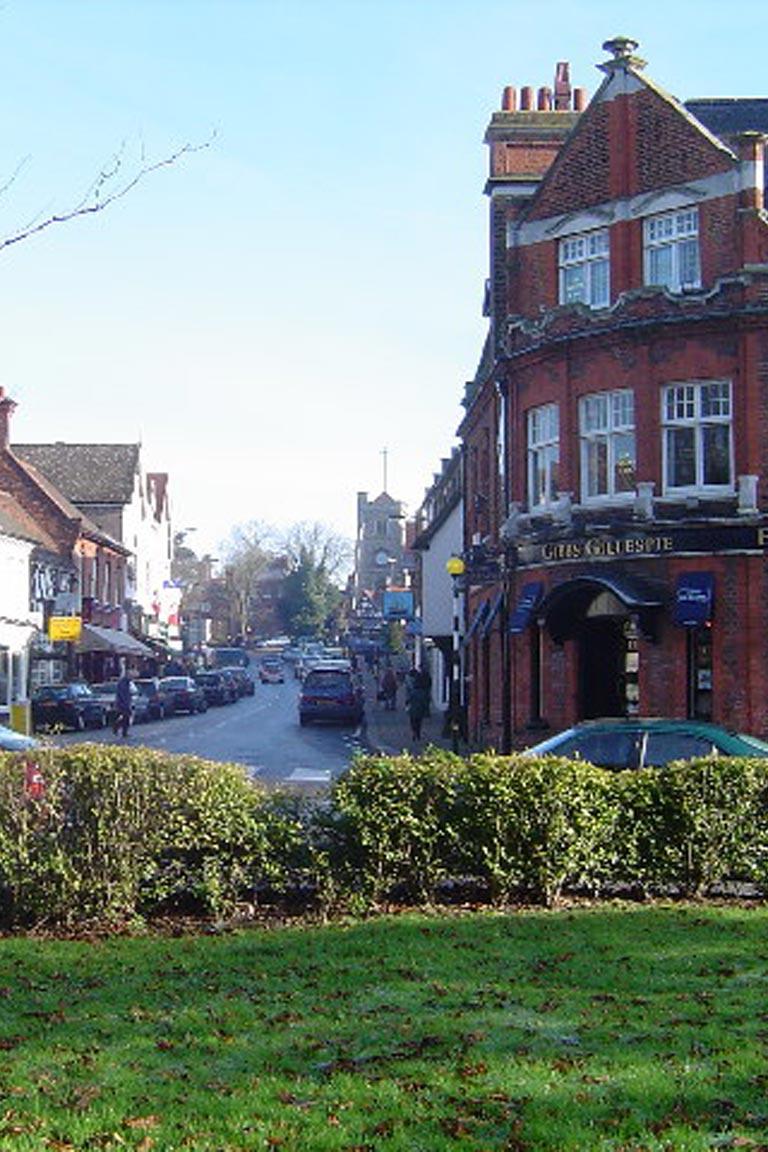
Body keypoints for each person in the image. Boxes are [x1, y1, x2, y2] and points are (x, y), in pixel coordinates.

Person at [405, 665, 430, 742]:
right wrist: (426, 710)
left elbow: (408, 700)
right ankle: (418, 733)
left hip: (412, 710)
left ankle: (414, 732)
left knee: (413, 722)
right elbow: (425, 702)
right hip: (420, 710)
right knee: (419, 722)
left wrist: (407, 705)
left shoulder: (413, 692)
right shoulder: (422, 693)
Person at [113, 669, 133, 738]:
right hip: (122, 703)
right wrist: (125, 703)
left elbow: (127, 693)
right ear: (127, 675)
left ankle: (123, 731)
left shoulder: (127, 682)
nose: (132, 677)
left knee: (126, 718)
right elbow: (122, 694)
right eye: (130, 675)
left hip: (125, 703)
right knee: (125, 717)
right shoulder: (123, 683)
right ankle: (117, 727)